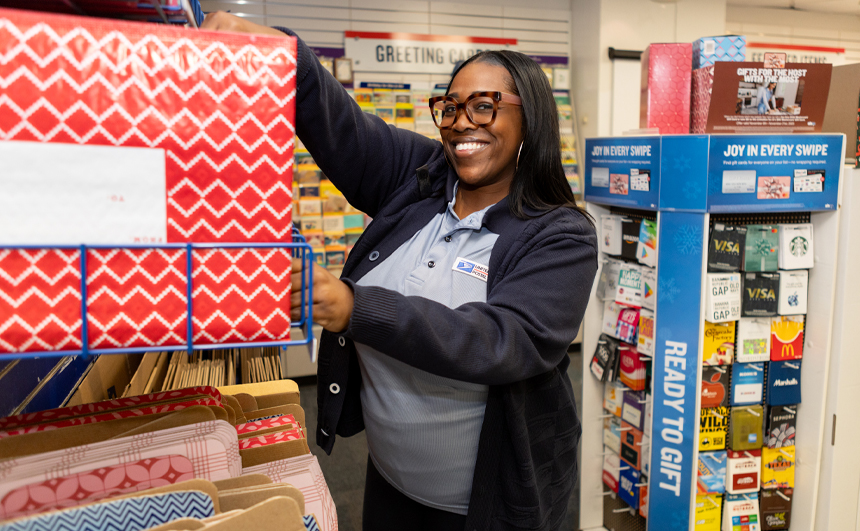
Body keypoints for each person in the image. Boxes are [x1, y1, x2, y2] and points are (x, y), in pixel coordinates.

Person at [201, 13, 598, 531]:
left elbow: (501, 340)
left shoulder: (561, 235)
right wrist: (285, 53)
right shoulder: (421, 178)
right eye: (450, 107)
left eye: (485, 106)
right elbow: (343, 128)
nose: (461, 122)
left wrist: (354, 307)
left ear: (532, 121)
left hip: (489, 509)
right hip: (389, 483)